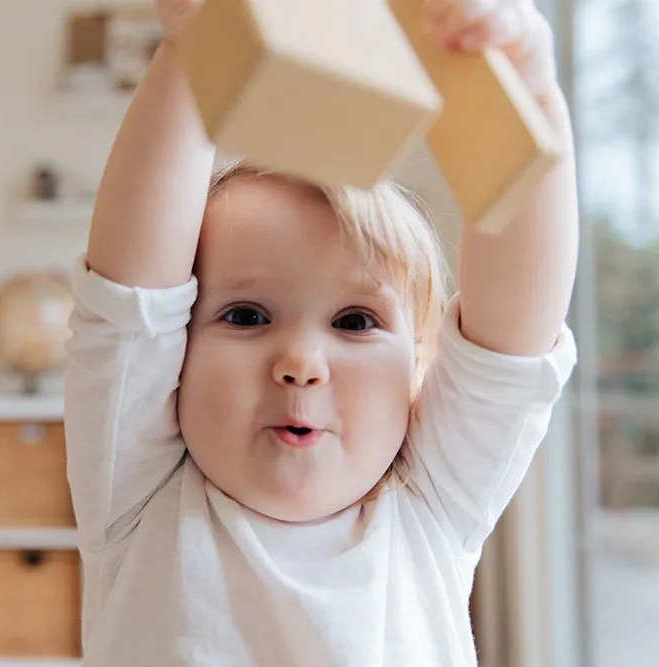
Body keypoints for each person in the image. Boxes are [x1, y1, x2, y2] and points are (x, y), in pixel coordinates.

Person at [63, 0, 579, 663]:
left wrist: (531, 92)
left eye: (355, 322)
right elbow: (129, 300)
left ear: (418, 370)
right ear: (175, 357)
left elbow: (513, 336)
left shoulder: (431, 500)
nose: (301, 362)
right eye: (246, 315)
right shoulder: (139, 490)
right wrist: (196, 48)